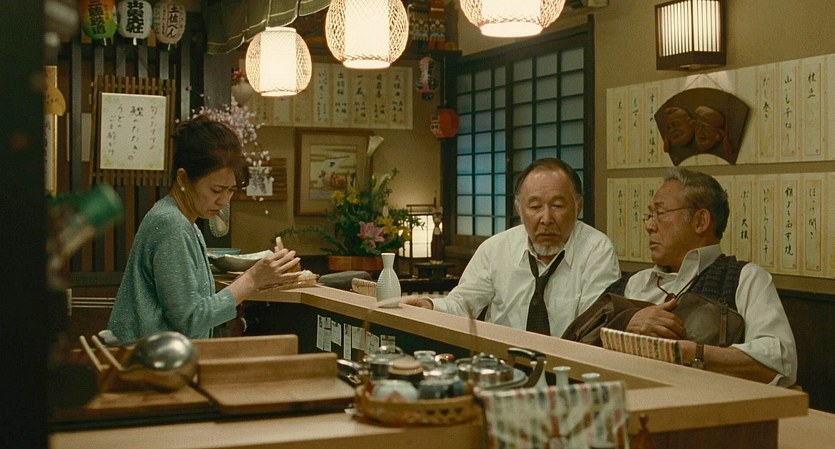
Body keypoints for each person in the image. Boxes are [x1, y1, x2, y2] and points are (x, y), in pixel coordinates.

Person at [594, 168, 797, 386]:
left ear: (700, 221)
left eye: (660, 213)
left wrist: (690, 353)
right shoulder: (632, 283)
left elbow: (779, 362)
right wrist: (627, 321)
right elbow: (579, 338)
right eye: (650, 215)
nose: (649, 226)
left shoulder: (744, 279)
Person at [108, 116, 301, 342]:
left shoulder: (182, 220)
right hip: (147, 357)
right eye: (216, 189)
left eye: (231, 190)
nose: (223, 200)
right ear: (183, 179)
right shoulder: (172, 224)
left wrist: (263, 277)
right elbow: (190, 320)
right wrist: (252, 279)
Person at [402, 158, 621, 337]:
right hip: (502, 365)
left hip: (569, 368)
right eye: (535, 206)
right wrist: (431, 306)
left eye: (557, 205)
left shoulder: (596, 250)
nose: (546, 219)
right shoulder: (495, 249)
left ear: (578, 206)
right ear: (519, 209)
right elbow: (462, 304)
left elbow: (595, 325)